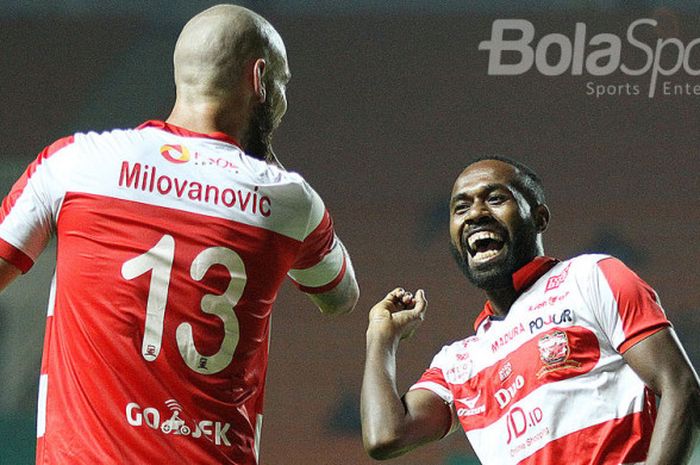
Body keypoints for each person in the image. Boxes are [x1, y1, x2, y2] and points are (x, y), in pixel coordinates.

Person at [0, 4, 359, 464]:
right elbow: (340, 296)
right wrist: (263, 157)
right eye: (282, 84)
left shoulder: (74, 163)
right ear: (260, 78)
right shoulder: (289, 202)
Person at [361, 156, 700, 465]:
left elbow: (681, 387)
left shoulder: (591, 278)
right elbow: (386, 436)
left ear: (539, 218)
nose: (476, 214)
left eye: (495, 199)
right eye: (460, 208)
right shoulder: (459, 363)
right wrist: (381, 338)